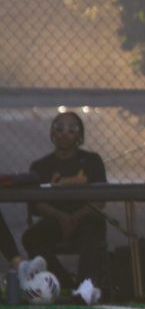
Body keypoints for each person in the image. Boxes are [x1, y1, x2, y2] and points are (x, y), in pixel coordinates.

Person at [22, 111, 107, 297]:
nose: (64, 133)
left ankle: (85, 288)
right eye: (59, 128)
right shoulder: (40, 166)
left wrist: (74, 218)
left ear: (80, 135)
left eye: (72, 129)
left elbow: (101, 199)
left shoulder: (92, 161)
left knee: (94, 232)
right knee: (31, 238)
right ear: (52, 133)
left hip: (85, 218)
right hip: (54, 221)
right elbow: (36, 203)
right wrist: (62, 218)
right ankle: (63, 282)